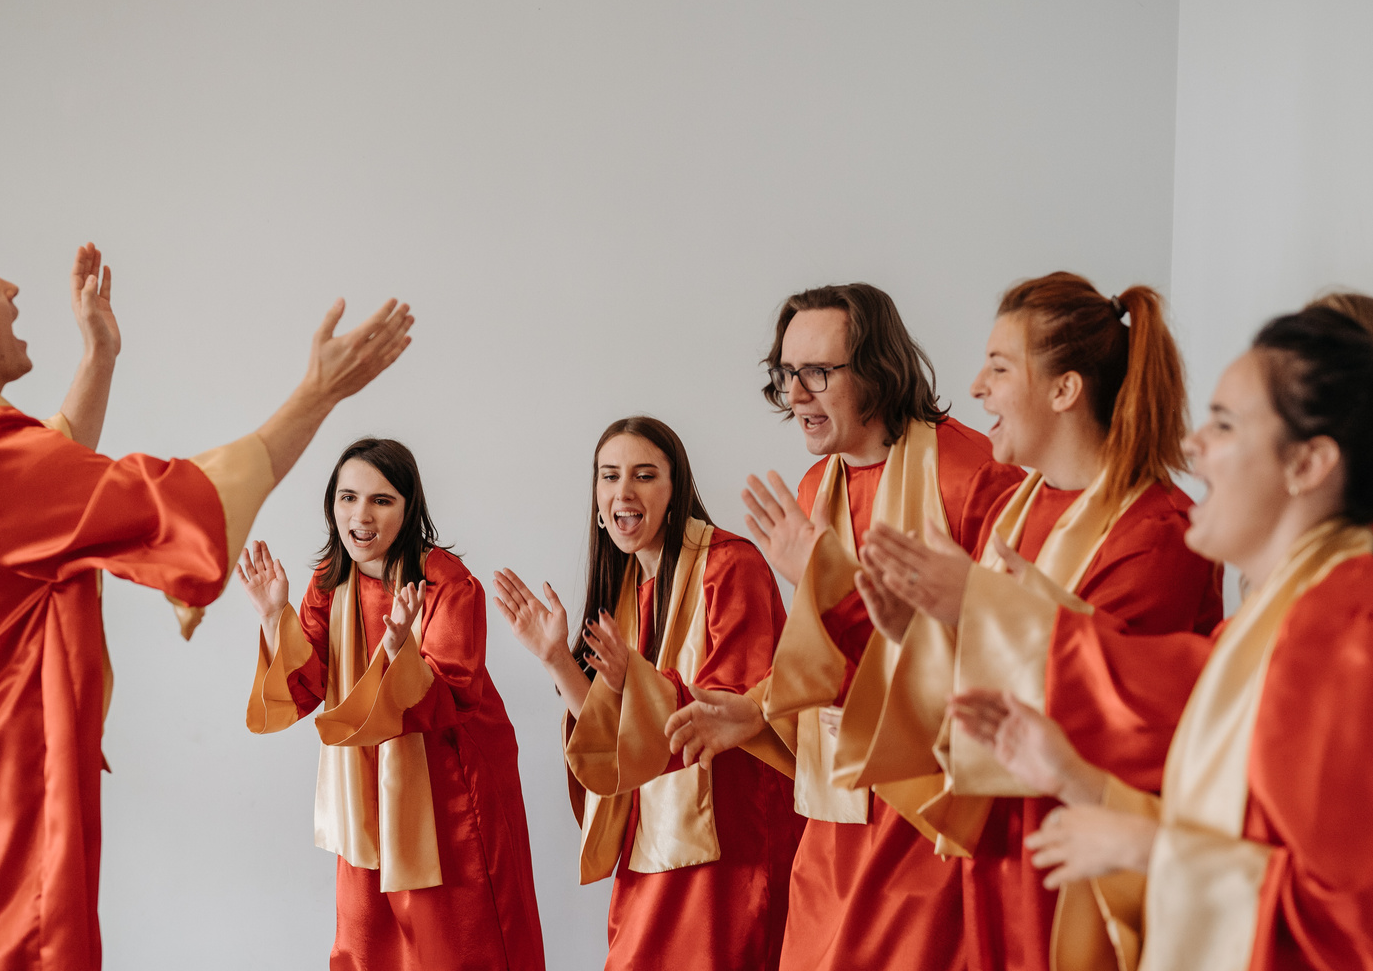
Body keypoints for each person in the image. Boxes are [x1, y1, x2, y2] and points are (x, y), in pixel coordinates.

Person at [0, 229, 412, 971]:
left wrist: (98, 358)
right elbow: (177, 503)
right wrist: (320, 392)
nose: (11, 290)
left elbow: (45, 482)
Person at [959, 306, 1373, 971]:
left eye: (1225, 424)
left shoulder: (1345, 625)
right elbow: (1246, 841)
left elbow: (1349, 922)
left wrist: (1145, 851)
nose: (1189, 445)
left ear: (1309, 462)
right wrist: (1077, 781)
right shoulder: (1288, 613)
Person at [856, 273, 1222, 971]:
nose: (976, 386)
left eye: (998, 367)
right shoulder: (1014, 509)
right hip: (999, 850)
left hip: (1085, 861)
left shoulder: (1156, 529)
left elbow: (1122, 706)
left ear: (1064, 390)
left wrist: (971, 610)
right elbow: (987, 681)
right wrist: (917, 633)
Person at [665, 284, 1024, 971]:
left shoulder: (975, 477)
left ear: (879, 371)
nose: (795, 394)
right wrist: (757, 709)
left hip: (927, 812)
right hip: (832, 815)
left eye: (817, 373)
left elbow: (1006, 652)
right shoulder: (812, 490)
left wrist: (828, 586)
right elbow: (825, 653)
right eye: (784, 373)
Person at [494, 416, 801, 971]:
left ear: (675, 488)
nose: (623, 493)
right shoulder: (628, 590)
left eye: (644, 475)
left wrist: (632, 681)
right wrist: (558, 658)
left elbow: (731, 709)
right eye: (609, 476)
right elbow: (612, 736)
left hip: (729, 841)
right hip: (653, 839)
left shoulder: (731, 566)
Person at [238, 437, 544, 971]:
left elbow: (454, 693)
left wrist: (401, 651)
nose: (361, 515)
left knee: (456, 940)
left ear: (409, 507)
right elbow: (306, 688)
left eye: (381, 500)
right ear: (332, 505)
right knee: (368, 940)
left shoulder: (444, 581)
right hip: (365, 788)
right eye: (348, 497)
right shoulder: (330, 582)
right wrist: (273, 616)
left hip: (449, 786)